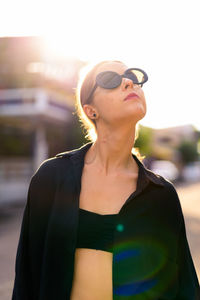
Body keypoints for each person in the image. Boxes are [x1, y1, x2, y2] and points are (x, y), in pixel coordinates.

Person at [12, 60, 200, 300]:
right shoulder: (51, 178)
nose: (129, 81)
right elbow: (26, 280)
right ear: (91, 110)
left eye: (132, 76)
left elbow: (182, 286)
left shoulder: (161, 195)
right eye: (110, 79)